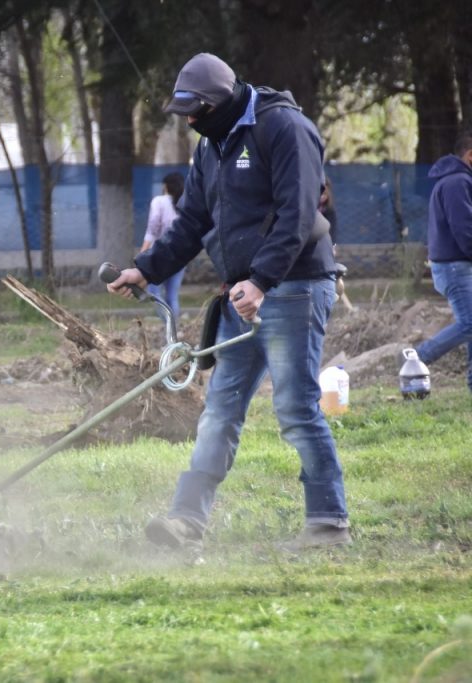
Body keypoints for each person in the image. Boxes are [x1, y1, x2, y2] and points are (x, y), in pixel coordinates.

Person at [106, 53, 350, 552]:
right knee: (218, 410)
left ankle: (328, 524)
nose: (190, 121)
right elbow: (192, 220)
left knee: (296, 408)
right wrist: (146, 268)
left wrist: (261, 280)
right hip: (243, 293)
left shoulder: (284, 128)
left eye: (195, 112)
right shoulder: (211, 146)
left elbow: (297, 214)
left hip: (294, 286)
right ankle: (185, 522)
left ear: (219, 101)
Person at [410, 130, 472, 393]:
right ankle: (417, 357)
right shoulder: (458, 183)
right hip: (455, 267)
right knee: (470, 323)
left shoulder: (455, 181)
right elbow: (465, 229)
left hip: (456, 266)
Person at [142, 172, 186, 319]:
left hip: (158, 253)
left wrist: (144, 249)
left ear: (166, 186)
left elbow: (153, 227)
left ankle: (168, 324)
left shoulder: (159, 201)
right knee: (172, 295)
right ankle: (175, 329)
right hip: (180, 254)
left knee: (154, 291)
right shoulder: (184, 203)